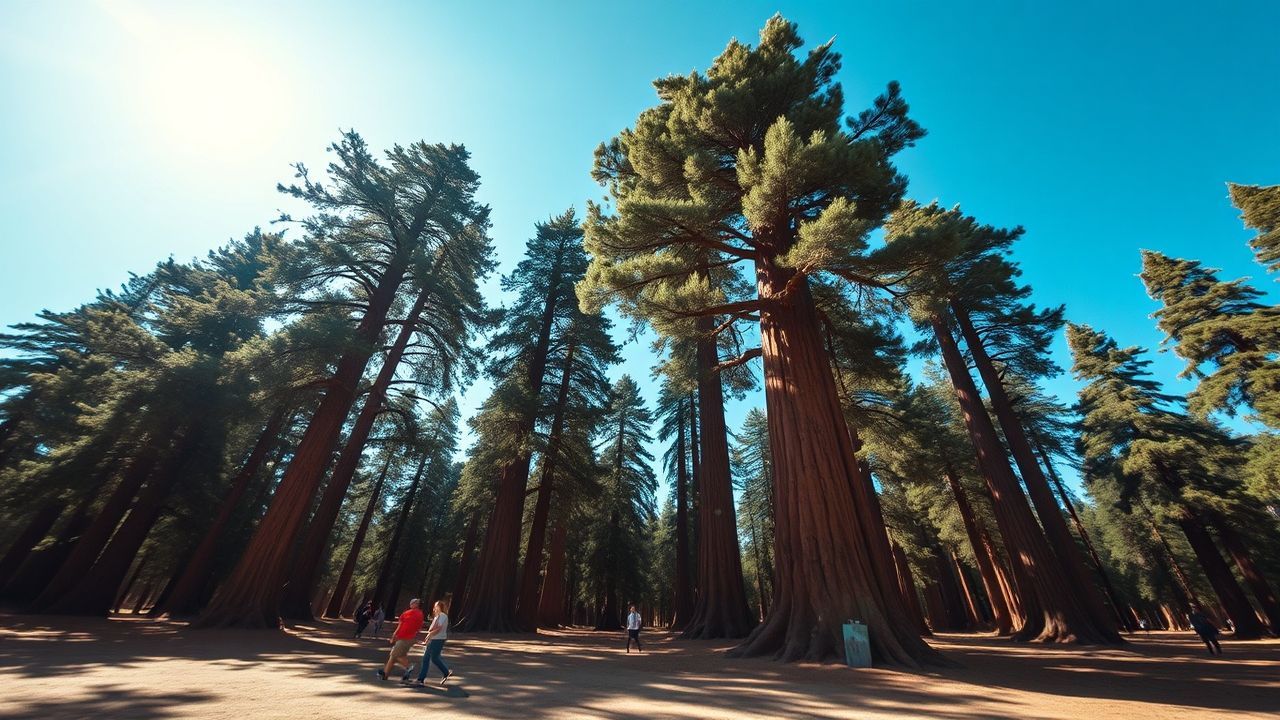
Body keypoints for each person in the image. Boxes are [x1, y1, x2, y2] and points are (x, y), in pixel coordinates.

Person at [406, 599, 453, 687]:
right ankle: (446, 672)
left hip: (438, 640)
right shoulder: (436, 617)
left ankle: (421, 679)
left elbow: (437, 629)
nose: (434, 608)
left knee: (427, 659)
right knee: (433, 658)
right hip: (434, 639)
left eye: (436, 606)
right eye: (434, 606)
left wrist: (428, 638)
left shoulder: (442, 616)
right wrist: (427, 639)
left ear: (440, 607)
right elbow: (430, 631)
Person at [376, 598, 424, 681]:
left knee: (395, 655)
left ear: (416, 604)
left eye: (413, 603)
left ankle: (409, 667)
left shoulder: (406, 613)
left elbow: (400, 626)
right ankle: (385, 675)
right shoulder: (420, 614)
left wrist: (394, 636)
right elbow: (418, 628)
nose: (411, 604)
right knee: (393, 657)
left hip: (403, 638)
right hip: (411, 638)